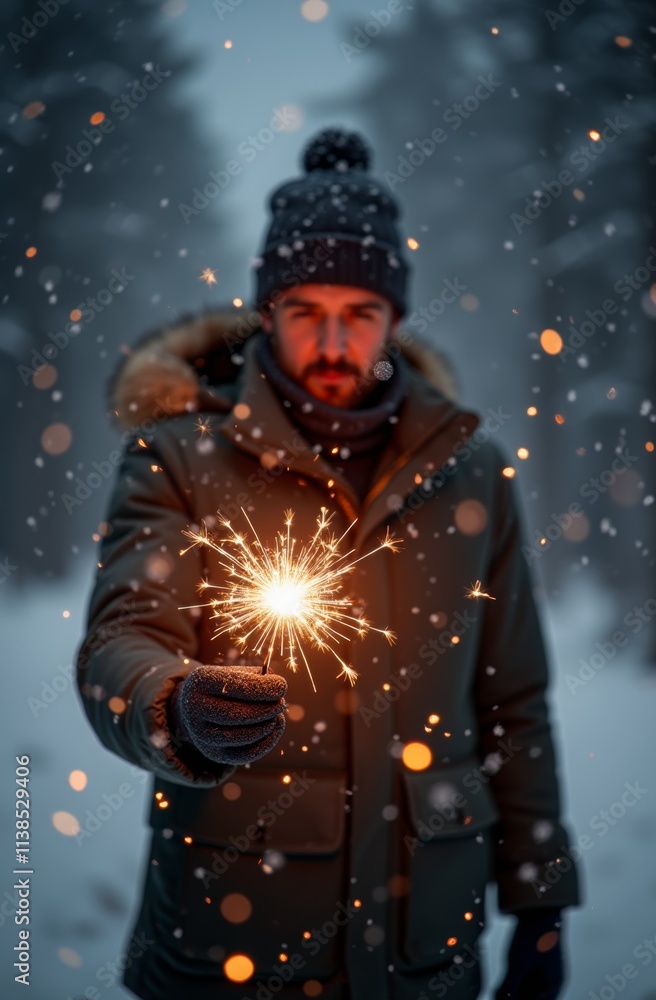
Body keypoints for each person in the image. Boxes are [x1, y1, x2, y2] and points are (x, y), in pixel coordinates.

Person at [76, 126, 582, 1000]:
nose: (334, 343)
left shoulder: (472, 474)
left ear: (394, 319)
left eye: (360, 314)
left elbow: (513, 701)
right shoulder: (179, 460)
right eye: (306, 311)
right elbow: (121, 640)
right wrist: (171, 704)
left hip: (427, 949)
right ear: (266, 314)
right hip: (233, 945)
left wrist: (539, 901)